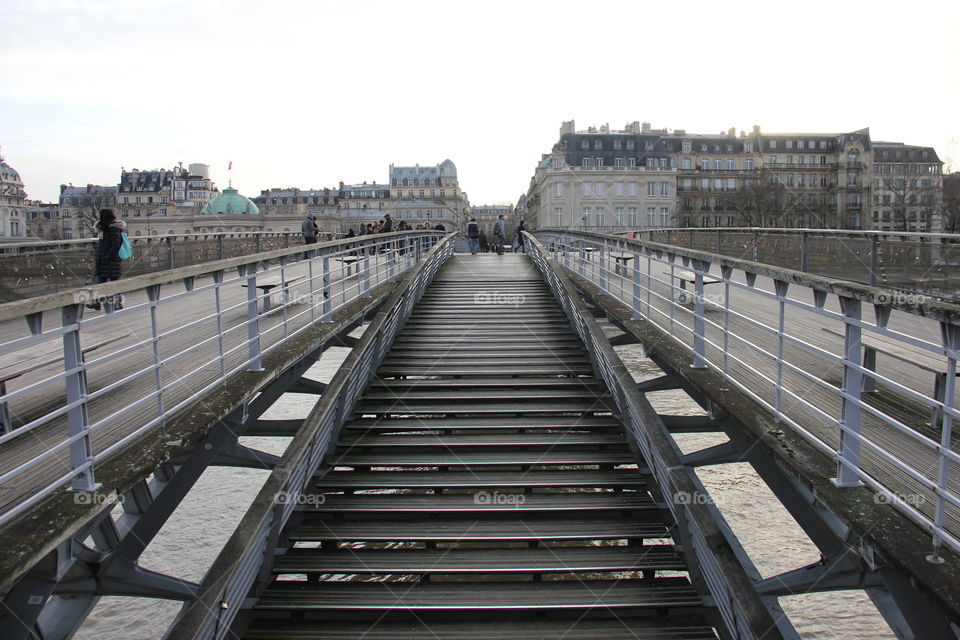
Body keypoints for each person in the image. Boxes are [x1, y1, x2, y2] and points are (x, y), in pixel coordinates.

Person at [86, 208, 124, 311]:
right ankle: (98, 303)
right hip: (104, 260)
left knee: (111, 282)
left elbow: (116, 244)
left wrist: (107, 256)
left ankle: (116, 302)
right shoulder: (106, 228)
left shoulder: (113, 229)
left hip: (110, 260)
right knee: (103, 282)